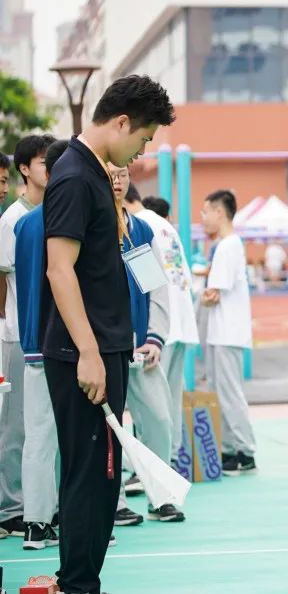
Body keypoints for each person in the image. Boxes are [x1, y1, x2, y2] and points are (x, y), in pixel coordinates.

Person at [41, 74, 174, 594]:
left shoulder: (97, 174)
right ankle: (76, 585)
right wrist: (89, 354)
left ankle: (81, 581)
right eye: (142, 140)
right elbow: (59, 269)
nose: (140, 153)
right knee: (87, 476)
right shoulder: (75, 175)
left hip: (108, 346)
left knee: (104, 476)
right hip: (84, 353)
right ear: (121, 122)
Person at [108, 163, 184, 525]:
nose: (118, 181)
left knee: (159, 418)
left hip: (140, 350)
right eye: (111, 175)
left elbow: (155, 287)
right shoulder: (88, 228)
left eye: (123, 175)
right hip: (104, 349)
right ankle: (114, 501)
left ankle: (161, 496)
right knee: (109, 428)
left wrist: (154, 338)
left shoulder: (138, 230)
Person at [0, 134, 53, 539]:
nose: (49, 171)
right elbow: (3, 279)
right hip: (18, 336)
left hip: (45, 337)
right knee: (16, 427)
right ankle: (11, 507)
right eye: (41, 163)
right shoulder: (13, 220)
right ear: (24, 169)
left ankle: (39, 507)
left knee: (43, 429)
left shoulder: (54, 212)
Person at [125, 184, 199, 470]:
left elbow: (153, 281)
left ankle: (155, 469)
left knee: (153, 408)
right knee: (166, 404)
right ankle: (170, 461)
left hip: (154, 328)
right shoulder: (161, 225)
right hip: (176, 321)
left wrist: (154, 330)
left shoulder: (140, 228)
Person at [201, 189, 257, 475]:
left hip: (226, 332)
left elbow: (213, 293)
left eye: (206, 212)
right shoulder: (228, 245)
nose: (203, 218)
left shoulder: (227, 245)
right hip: (222, 332)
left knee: (229, 392)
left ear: (219, 212)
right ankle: (230, 450)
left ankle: (244, 450)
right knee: (220, 391)